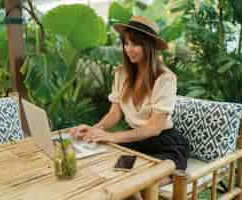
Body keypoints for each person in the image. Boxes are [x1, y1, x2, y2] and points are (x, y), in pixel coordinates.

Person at [70, 16, 189, 185]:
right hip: (136, 142)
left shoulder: (165, 78)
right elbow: (114, 113)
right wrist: (95, 129)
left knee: (139, 185)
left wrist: (112, 137)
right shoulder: (121, 74)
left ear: (149, 46)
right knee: (112, 176)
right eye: (126, 43)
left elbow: (154, 128)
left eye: (136, 44)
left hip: (165, 146)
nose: (129, 49)